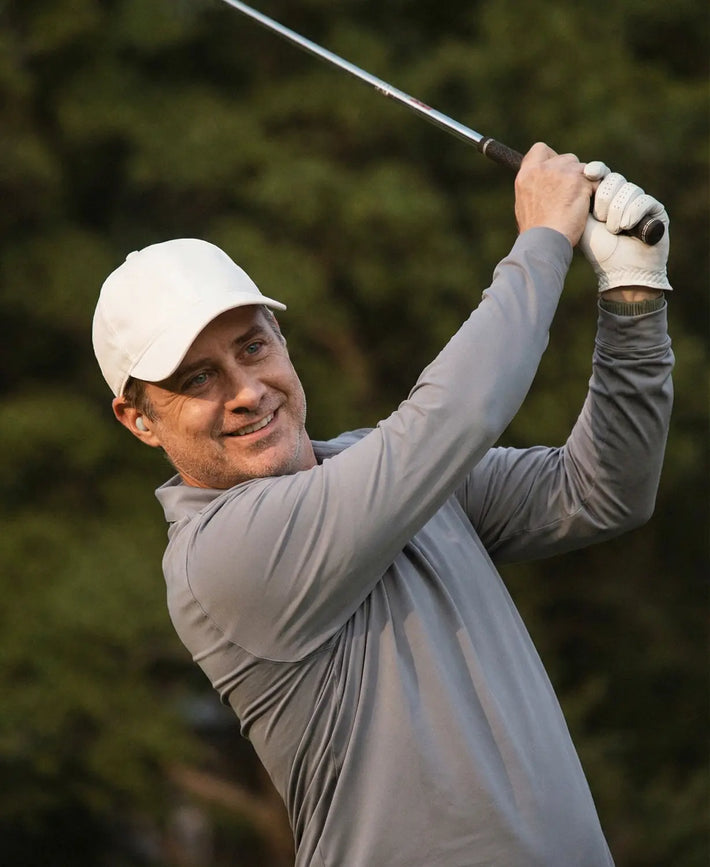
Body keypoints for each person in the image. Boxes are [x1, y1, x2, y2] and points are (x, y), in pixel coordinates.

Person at [92, 143, 674, 867]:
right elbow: (449, 420)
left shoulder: (392, 471)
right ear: (138, 419)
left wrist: (633, 295)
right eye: (198, 377)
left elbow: (604, 490)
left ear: (283, 339)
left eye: (252, 347)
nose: (246, 390)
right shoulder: (219, 558)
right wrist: (543, 239)